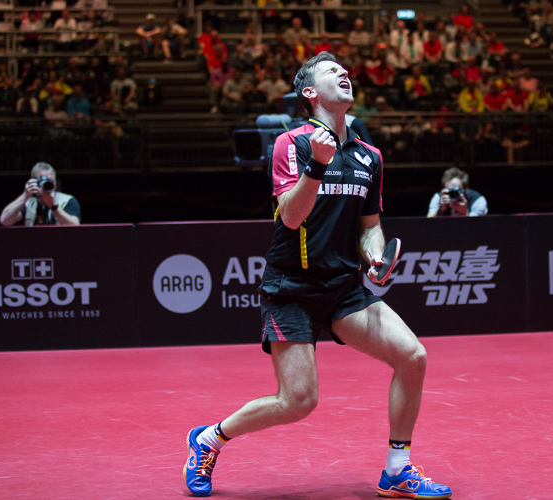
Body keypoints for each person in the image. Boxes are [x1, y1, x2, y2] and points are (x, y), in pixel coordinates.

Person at [183, 52, 452, 500]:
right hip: (292, 288)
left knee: (413, 356)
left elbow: (370, 227)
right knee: (298, 402)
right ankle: (208, 439)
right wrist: (317, 167)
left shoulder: (371, 156)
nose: (345, 73)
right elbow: (289, 218)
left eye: (346, 70)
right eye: (332, 72)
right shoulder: (292, 144)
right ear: (309, 93)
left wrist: (374, 259)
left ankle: (397, 469)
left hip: (344, 287)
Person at [0, 162, 81, 226]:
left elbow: (75, 226)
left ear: (55, 182)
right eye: (42, 181)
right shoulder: (28, 202)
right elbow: (5, 221)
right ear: (34, 182)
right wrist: (25, 196)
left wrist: (54, 207)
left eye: (50, 181)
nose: (46, 185)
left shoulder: (67, 200)